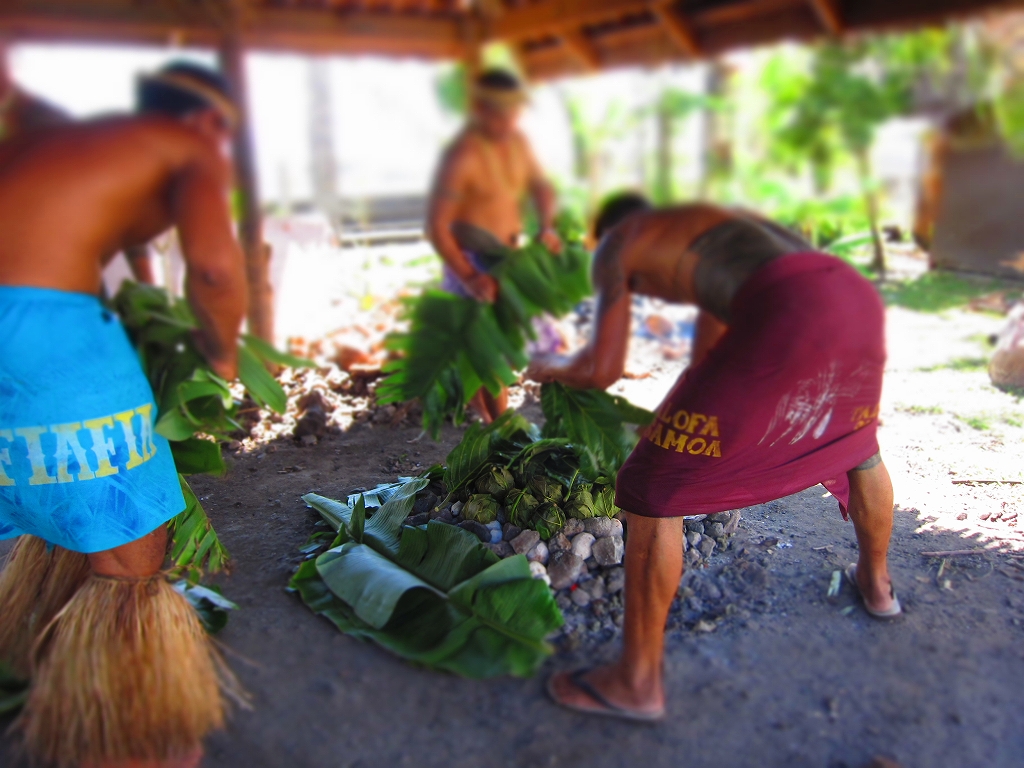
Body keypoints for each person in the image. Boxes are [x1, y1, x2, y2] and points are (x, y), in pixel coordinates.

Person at [528, 193, 898, 722]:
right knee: (854, 442)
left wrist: (551, 366)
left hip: (793, 307)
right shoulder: (719, 222)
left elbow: (601, 367)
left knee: (651, 487)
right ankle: (878, 585)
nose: (640, 290)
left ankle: (636, 682)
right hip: (852, 297)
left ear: (609, 227)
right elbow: (714, 355)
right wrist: (688, 412)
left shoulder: (616, 244)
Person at [0, 61, 246, 768]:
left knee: (55, 491)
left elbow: (122, 242)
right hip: (39, 324)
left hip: (19, 330)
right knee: (131, 551)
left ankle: (50, 651)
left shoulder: (59, 145)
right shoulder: (188, 146)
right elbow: (215, 270)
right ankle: (127, 743)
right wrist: (222, 354)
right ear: (209, 123)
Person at [426, 67, 562, 422]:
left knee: (515, 349)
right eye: (497, 111)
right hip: (468, 261)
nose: (506, 119)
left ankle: (490, 422)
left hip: (509, 259)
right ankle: (497, 427)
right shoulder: (463, 156)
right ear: (479, 108)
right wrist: (470, 276)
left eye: (513, 111)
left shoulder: (519, 143)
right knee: (486, 357)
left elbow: (541, 187)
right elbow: (437, 227)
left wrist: (547, 226)